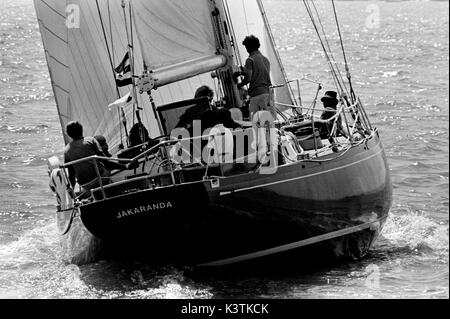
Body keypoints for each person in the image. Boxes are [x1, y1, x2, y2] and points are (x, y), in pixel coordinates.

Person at [64, 121, 130, 191]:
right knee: (103, 164)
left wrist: (72, 190)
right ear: (81, 130)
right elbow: (107, 163)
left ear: (68, 134)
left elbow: (71, 174)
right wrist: (126, 166)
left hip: (85, 185)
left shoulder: (66, 150)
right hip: (100, 179)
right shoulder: (91, 140)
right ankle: (111, 188)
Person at [237, 35, 275, 119]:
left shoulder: (250, 60)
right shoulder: (265, 59)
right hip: (268, 93)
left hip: (257, 94)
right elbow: (260, 73)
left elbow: (248, 78)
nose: (246, 50)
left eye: (246, 47)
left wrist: (239, 85)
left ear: (249, 47)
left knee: (255, 120)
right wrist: (244, 73)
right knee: (269, 119)